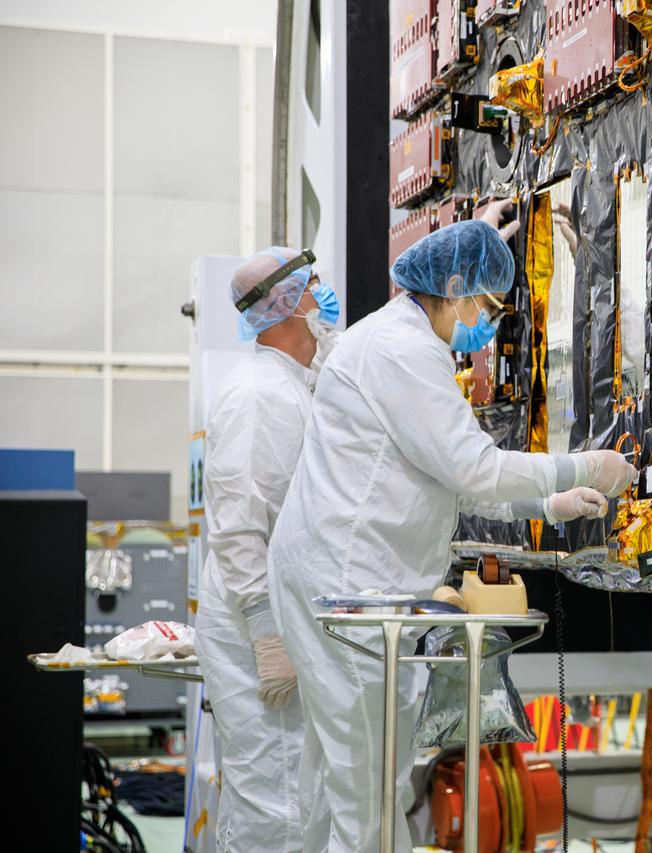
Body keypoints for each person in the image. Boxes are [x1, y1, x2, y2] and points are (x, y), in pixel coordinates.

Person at [267, 201, 637, 853]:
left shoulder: (398, 340)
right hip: (347, 580)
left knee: (337, 776)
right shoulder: (405, 351)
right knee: (369, 784)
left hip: (336, 572)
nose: (488, 329)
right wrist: (586, 465)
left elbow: (434, 476)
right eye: (490, 309)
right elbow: (471, 465)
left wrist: (547, 506)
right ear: (457, 288)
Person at [193, 246, 340, 851]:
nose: (324, 299)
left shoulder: (296, 386)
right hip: (258, 636)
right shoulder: (258, 396)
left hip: (284, 624)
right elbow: (235, 528)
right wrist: (267, 636)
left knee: (294, 800)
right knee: (273, 804)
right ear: (288, 305)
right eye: (315, 287)